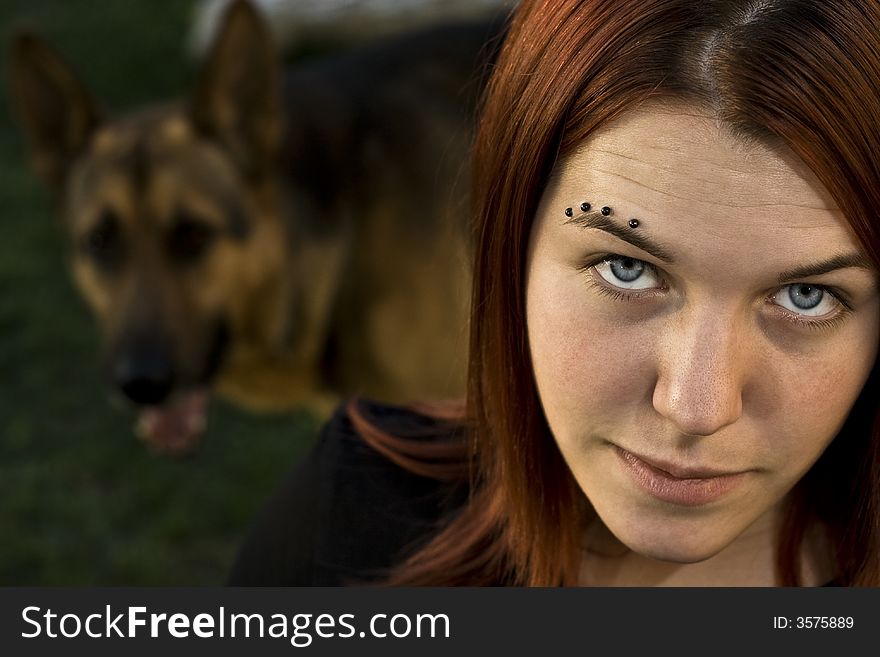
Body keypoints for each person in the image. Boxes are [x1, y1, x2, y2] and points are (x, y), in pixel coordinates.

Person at [228, 0, 880, 586]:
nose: (696, 406)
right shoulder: (360, 510)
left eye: (805, 295)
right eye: (627, 269)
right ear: (513, 243)